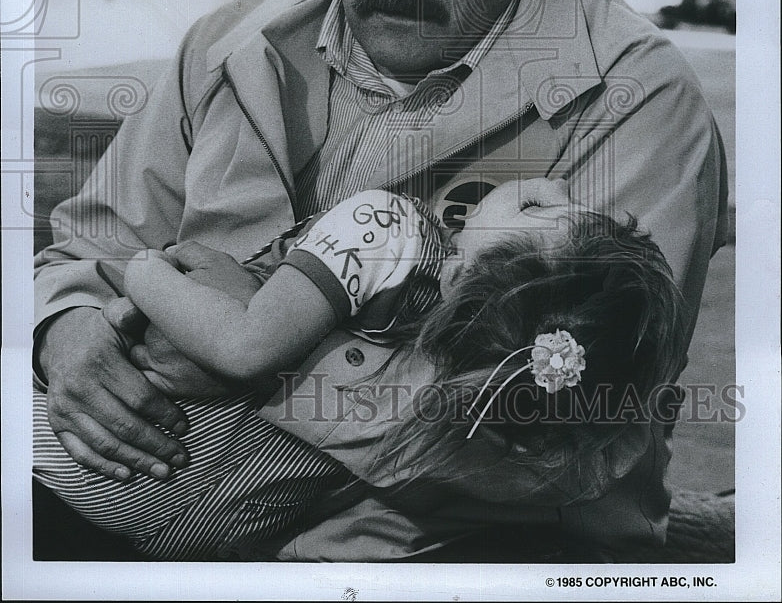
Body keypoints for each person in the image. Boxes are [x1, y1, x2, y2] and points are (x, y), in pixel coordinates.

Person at [33, 0, 728, 561]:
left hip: (428, 548)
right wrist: (65, 330)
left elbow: (577, 407)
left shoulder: (637, 101)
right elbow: (90, 243)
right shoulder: (230, 41)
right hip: (112, 494)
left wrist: (259, 358)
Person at [33, 180, 684, 561]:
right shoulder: (491, 416)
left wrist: (145, 269)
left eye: (541, 208)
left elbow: (242, 350)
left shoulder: (390, 231)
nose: (553, 183)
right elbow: (593, 467)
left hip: (118, 523)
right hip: (69, 473)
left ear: (465, 276)